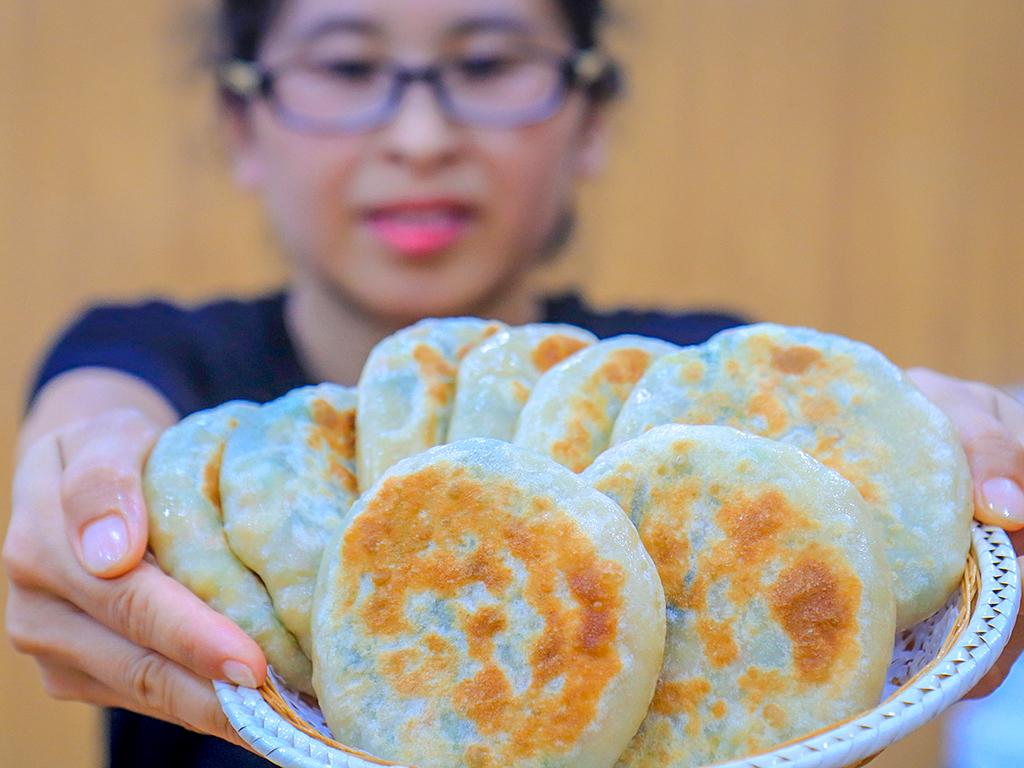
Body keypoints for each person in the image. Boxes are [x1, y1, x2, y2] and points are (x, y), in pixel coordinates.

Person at [4, 1, 1023, 767]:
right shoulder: (163, 361)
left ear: (589, 123)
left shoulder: (710, 395)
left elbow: (864, 479)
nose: (418, 136)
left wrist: (959, 453)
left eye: (487, 62)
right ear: (242, 127)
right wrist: (84, 490)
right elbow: (95, 413)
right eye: (347, 64)